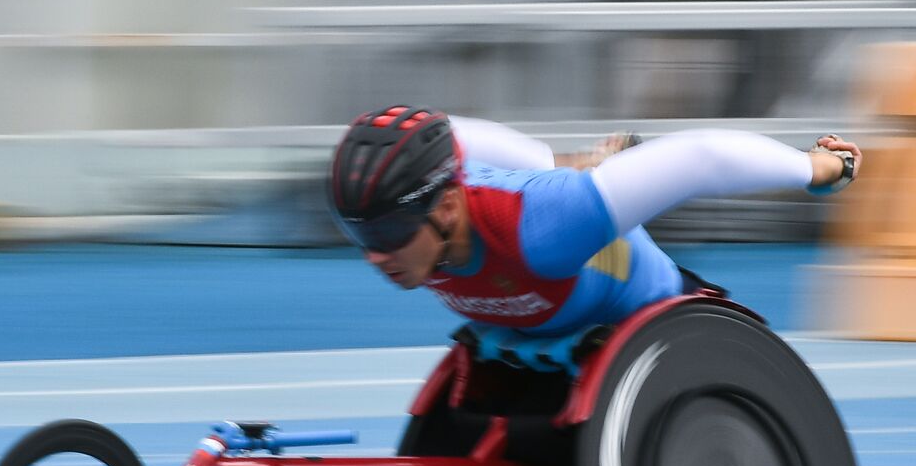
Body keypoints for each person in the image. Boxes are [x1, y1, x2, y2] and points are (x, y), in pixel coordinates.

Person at [327, 106, 860, 339]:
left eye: (386, 236)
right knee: (544, 169)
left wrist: (822, 168)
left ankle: (598, 169)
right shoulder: (423, 208)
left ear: (444, 210)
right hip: (525, 333)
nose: (375, 258)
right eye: (360, 238)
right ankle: (591, 163)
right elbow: (445, 134)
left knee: (562, 191)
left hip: (644, 315)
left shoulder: (544, 229)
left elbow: (703, 157)